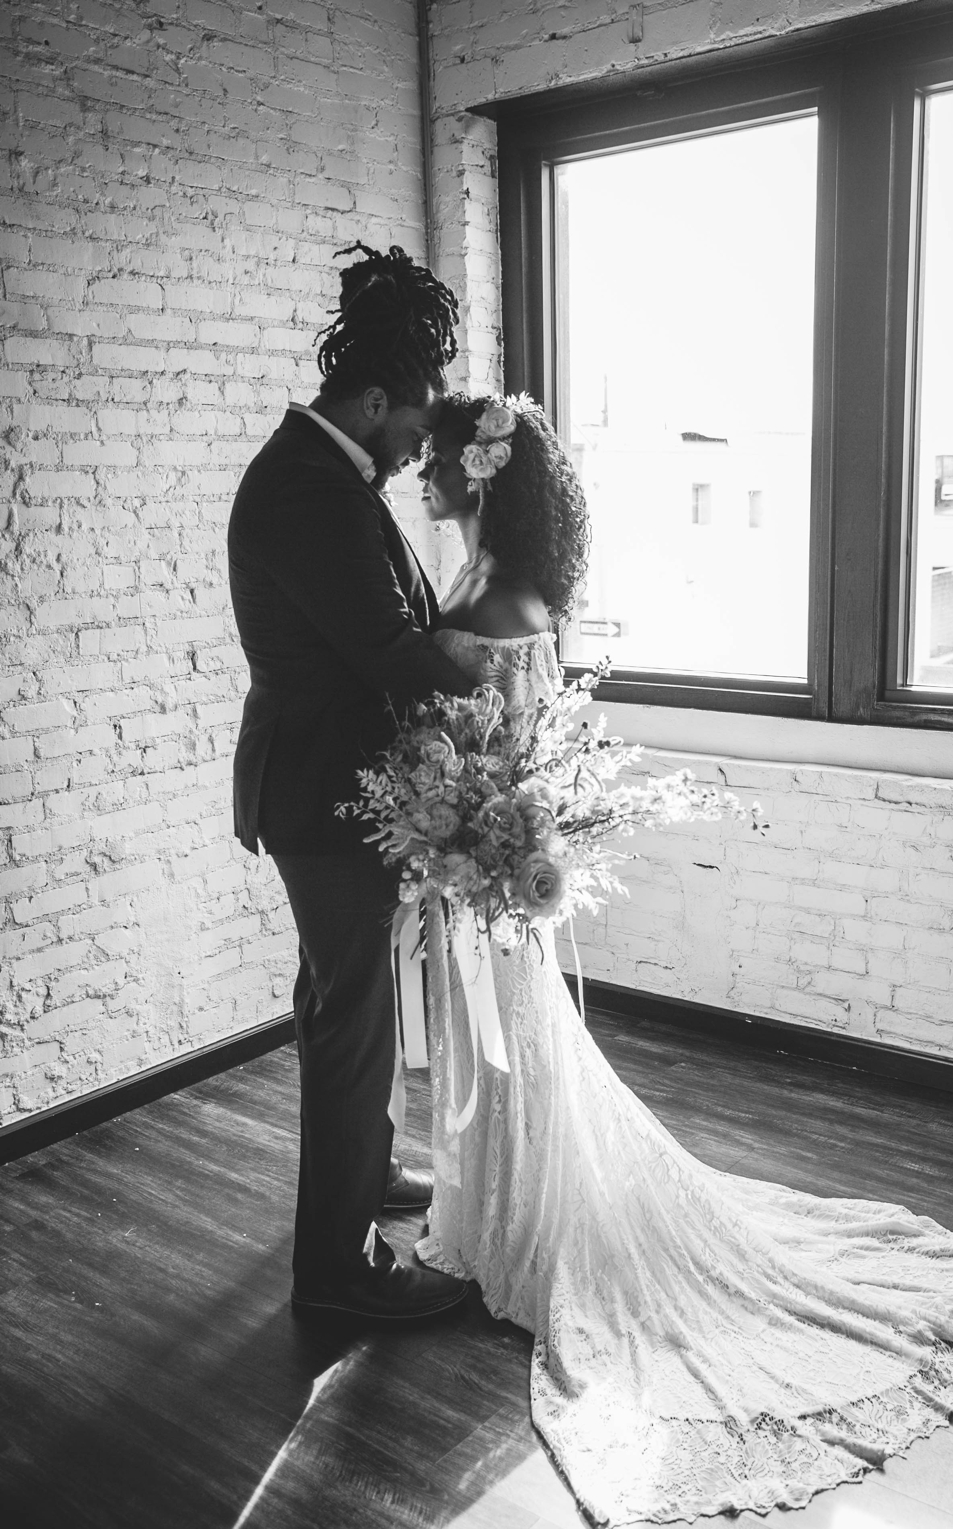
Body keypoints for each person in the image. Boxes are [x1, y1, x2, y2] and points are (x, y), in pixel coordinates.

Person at [406, 394, 953, 1524]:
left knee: (517, 1045)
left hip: (485, 869)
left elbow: (513, 755)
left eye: (437, 463)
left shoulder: (497, 597)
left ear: (479, 473)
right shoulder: (483, 578)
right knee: (505, 1045)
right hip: (472, 867)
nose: (421, 477)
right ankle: (495, 1208)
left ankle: (530, 1220)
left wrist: (465, 839)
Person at [226, 243, 475, 1323]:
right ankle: (335, 1275)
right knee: (353, 1017)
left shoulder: (322, 472)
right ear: (373, 400)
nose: (416, 450)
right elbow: (390, 646)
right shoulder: (308, 490)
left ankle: (362, 1176)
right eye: (413, 428)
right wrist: (495, 664)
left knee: (341, 1006)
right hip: (324, 795)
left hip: (331, 785)